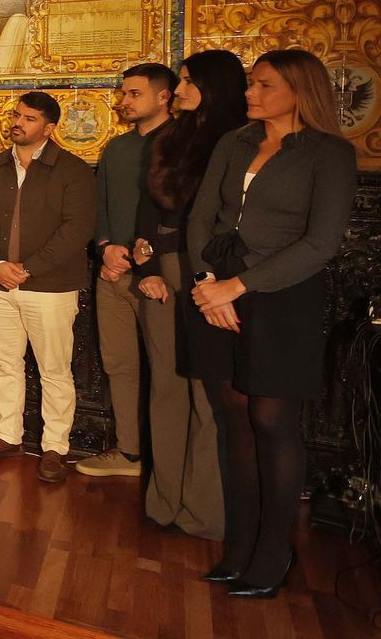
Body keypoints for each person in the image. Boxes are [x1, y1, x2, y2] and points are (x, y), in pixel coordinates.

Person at [188, 49, 357, 598]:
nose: (250, 94)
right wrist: (207, 284)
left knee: (270, 421)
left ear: (298, 90)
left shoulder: (328, 153)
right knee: (233, 418)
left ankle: (275, 552)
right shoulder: (233, 142)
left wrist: (237, 287)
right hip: (216, 290)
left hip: (281, 294)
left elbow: (321, 242)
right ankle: (239, 547)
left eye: (262, 86)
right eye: (250, 85)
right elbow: (201, 218)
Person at [127, 51, 246, 536]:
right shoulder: (173, 136)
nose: (178, 90)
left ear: (214, 85)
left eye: (189, 81)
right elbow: (146, 207)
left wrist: (217, 283)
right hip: (164, 270)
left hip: (213, 277)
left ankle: (203, 512)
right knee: (167, 388)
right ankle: (164, 502)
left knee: (207, 393)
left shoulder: (241, 141)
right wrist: (148, 266)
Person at [0, 92, 97, 483]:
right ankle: (8, 435)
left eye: (30, 118)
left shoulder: (72, 170)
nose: (19, 122)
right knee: (4, 362)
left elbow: (77, 229)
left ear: (49, 128)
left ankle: (55, 446)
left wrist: (29, 268)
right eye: (17, 115)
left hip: (51, 286)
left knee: (54, 369)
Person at [81, 62, 177, 478]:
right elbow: (99, 206)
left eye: (134, 94)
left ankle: (170, 460)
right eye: (123, 93)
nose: (124, 101)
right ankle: (130, 452)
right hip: (113, 272)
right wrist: (105, 248)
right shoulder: (117, 149)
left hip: (161, 274)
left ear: (163, 96)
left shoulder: (181, 146)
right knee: (119, 364)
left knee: (167, 368)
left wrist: (145, 255)